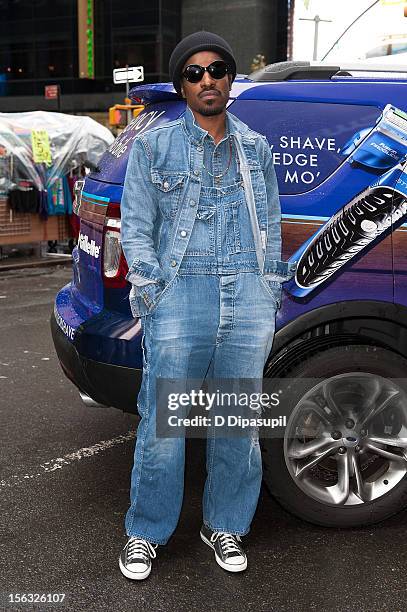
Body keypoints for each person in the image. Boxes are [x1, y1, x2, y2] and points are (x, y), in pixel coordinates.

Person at [119, 30, 297, 580]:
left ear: (230, 77)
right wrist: (153, 289)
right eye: (194, 73)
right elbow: (136, 226)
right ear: (181, 84)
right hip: (180, 293)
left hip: (245, 295)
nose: (207, 80)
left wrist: (267, 289)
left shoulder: (256, 149)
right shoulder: (154, 146)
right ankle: (145, 533)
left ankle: (226, 526)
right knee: (163, 424)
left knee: (236, 422)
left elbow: (269, 224)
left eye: (216, 69)